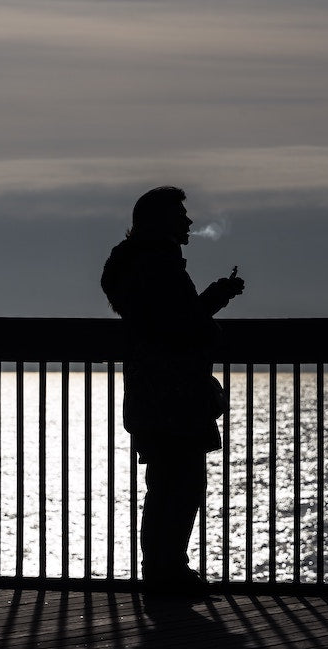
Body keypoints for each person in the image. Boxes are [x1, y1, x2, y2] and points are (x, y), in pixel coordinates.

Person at [101, 187, 244, 594]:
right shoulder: (159, 266)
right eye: (180, 214)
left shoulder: (133, 265)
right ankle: (170, 572)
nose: (188, 222)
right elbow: (179, 325)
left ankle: (161, 570)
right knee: (181, 486)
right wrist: (213, 312)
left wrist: (209, 302)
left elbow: (164, 319)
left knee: (164, 485)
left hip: (149, 391)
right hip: (175, 394)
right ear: (161, 220)